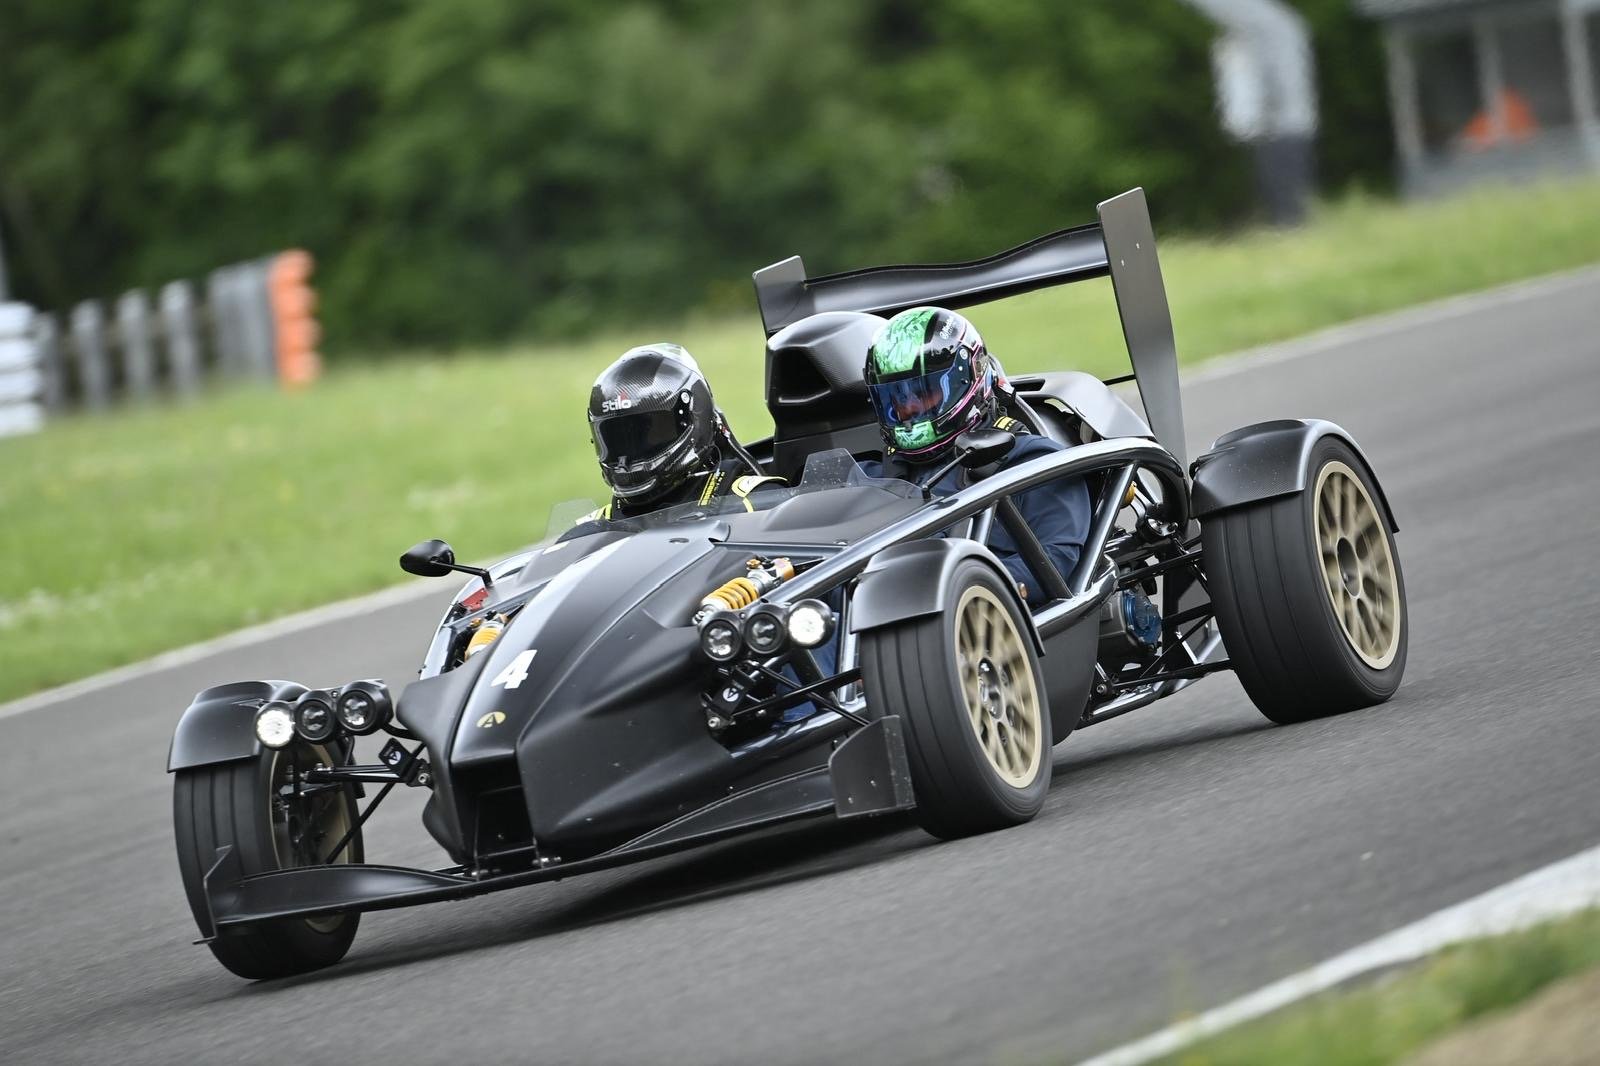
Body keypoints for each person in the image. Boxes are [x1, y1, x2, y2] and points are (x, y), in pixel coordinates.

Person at [862, 307, 1091, 602]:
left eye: (924, 392)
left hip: (975, 626)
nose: (909, 409)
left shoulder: (1031, 462)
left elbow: (1055, 563)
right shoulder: (871, 476)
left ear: (966, 379)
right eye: (896, 397)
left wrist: (955, 589)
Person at [585, 343, 780, 521]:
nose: (624, 462)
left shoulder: (756, 503)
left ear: (694, 419)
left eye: (645, 434)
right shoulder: (591, 530)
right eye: (616, 440)